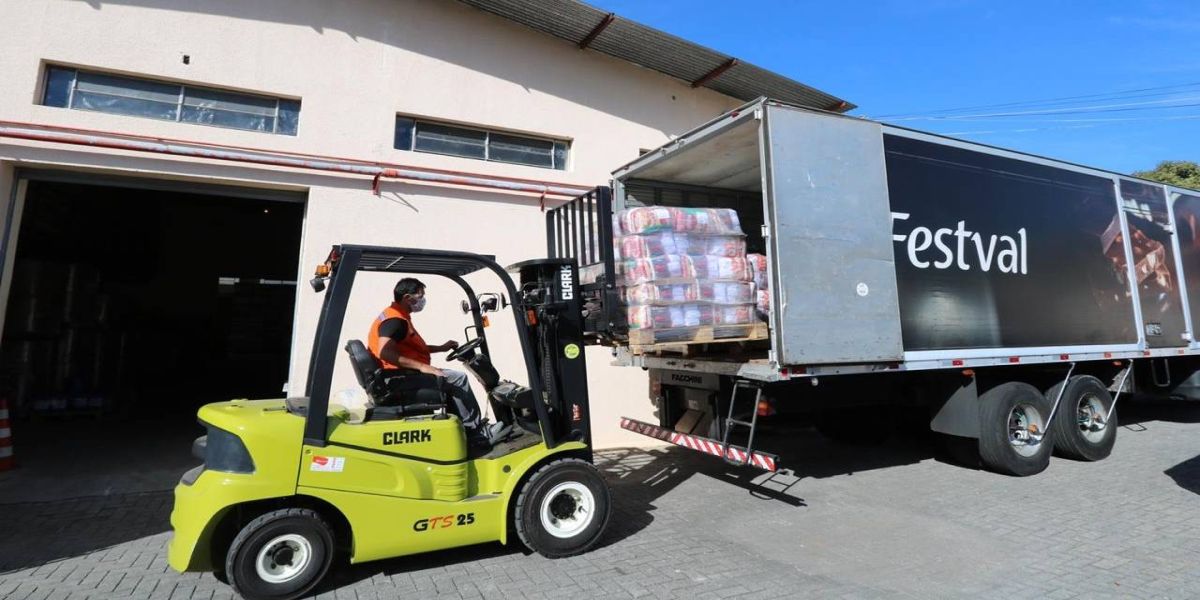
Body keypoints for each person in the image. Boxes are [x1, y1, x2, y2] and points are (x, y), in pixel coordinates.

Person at [367, 277, 490, 449]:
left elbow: (409, 348)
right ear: (408, 298)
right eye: (420, 296)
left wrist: (441, 348)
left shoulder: (396, 315)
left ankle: (463, 428)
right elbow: (384, 352)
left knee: (448, 377)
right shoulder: (395, 321)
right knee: (458, 378)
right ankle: (475, 432)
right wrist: (424, 367)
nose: (422, 300)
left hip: (397, 375)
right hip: (397, 378)